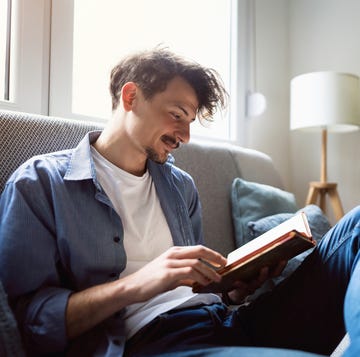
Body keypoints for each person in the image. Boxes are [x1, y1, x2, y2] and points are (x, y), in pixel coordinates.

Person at [0, 48, 359, 357]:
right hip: (154, 342)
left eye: (190, 122)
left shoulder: (179, 186)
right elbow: (33, 324)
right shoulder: (39, 183)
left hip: (231, 320)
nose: (184, 136)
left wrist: (233, 287)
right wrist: (142, 282)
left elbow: (195, 289)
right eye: (177, 115)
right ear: (130, 97)